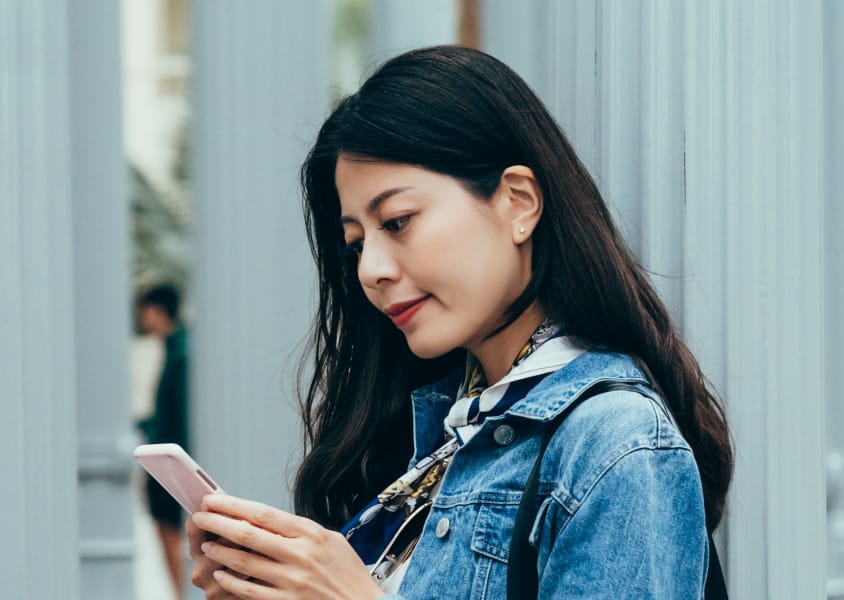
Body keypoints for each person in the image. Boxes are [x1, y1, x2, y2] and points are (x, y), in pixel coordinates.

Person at [184, 46, 733, 599]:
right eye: (356, 244)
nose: (371, 269)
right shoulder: (432, 433)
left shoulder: (615, 443)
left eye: (397, 222)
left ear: (517, 203)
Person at [136, 283, 192, 600]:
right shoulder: (177, 349)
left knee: (171, 541)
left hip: (171, 468)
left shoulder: (180, 354)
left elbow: (180, 417)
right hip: (169, 463)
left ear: (156, 311)